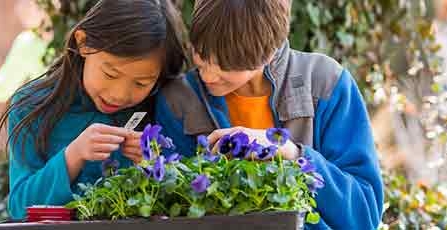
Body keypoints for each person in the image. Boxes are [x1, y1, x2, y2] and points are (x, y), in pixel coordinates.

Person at [155, 1, 384, 229]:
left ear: (267, 54)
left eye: (226, 65)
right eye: (200, 53)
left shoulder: (325, 83)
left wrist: (291, 154)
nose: (209, 75)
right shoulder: (179, 100)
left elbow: (365, 216)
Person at [0, 0, 187, 219]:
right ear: (83, 43)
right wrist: (73, 156)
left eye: (141, 83)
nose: (119, 94)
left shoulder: (164, 104)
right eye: (110, 74)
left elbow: (186, 199)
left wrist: (153, 163)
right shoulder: (32, 105)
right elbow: (21, 207)